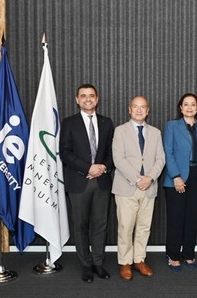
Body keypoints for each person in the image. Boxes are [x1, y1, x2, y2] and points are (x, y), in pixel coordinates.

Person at [60, 83, 114, 283]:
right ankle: (86, 265)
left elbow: (111, 152)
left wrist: (102, 168)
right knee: (80, 225)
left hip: (102, 181)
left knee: (100, 225)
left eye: (91, 95)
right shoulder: (68, 123)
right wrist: (87, 168)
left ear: (97, 99)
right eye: (83, 96)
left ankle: (98, 263)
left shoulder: (107, 123)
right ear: (77, 99)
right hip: (78, 182)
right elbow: (64, 152)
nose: (88, 99)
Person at [111, 96, 165, 281]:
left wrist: (149, 178)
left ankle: (139, 260)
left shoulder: (156, 133)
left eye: (143, 107)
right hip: (127, 187)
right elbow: (118, 159)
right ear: (129, 109)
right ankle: (125, 262)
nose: (139, 110)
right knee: (125, 227)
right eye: (136, 107)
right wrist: (138, 179)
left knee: (144, 227)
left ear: (148, 110)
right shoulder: (120, 131)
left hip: (149, 187)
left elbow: (161, 159)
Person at [163, 93, 197, 271]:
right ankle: (173, 255)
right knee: (176, 218)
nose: (189, 107)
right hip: (177, 177)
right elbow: (168, 152)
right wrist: (176, 176)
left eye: (193, 104)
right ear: (180, 107)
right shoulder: (172, 126)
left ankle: (188, 254)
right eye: (185, 104)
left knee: (192, 218)